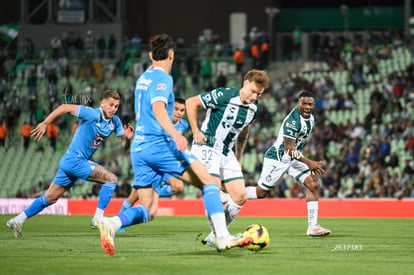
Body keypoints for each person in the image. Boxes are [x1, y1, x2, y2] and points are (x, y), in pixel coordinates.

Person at [96, 34, 252, 256]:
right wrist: (175, 134)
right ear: (171, 55)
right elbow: (159, 108)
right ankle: (222, 237)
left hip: (139, 149)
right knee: (208, 182)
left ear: (151, 55)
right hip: (159, 144)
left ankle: (112, 223)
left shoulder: (143, 78)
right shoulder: (164, 78)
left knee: (149, 210)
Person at [6, 90, 134, 238]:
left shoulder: (115, 122)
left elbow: (124, 144)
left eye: (116, 106)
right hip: (74, 160)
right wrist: (45, 123)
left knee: (50, 198)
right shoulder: (91, 114)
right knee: (111, 179)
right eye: (111, 105)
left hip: (74, 162)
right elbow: (64, 107)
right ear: (102, 103)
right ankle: (97, 219)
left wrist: (128, 138)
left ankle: (17, 220)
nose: (113, 109)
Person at [186, 69, 270, 248]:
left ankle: (214, 235)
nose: (255, 96)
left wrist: (238, 157)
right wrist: (195, 131)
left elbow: (243, 132)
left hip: (226, 153)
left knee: (240, 196)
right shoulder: (224, 95)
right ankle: (222, 236)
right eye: (253, 91)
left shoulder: (253, 109)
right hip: (207, 146)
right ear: (245, 83)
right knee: (214, 189)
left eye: (259, 94)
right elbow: (191, 102)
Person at [245, 91, 331, 237]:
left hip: (293, 159)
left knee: (313, 184)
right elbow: (289, 149)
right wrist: (309, 162)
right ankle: (232, 194)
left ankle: (313, 227)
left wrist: (305, 160)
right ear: (298, 103)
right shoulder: (293, 121)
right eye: (304, 103)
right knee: (261, 193)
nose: (307, 107)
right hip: (278, 158)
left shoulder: (311, 118)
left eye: (310, 104)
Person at [115, 97, 189, 233]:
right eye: (176, 109)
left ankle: (118, 221)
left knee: (177, 186)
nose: (178, 113)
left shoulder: (183, 125)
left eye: (182, 110)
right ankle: (118, 222)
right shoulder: (157, 122)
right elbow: (137, 143)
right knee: (144, 203)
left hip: (166, 164)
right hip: (151, 163)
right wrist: (130, 138)